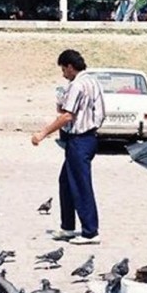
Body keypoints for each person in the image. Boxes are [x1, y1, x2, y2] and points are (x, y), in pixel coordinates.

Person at [31, 49, 106, 243]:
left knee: (81, 185)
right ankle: (68, 226)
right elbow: (98, 110)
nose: (63, 74)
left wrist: (43, 133)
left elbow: (67, 116)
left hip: (80, 139)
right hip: (89, 137)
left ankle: (90, 231)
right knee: (66, 182)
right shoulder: (93, 82)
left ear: (70, 67)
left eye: (64, 70)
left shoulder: (77, 85)